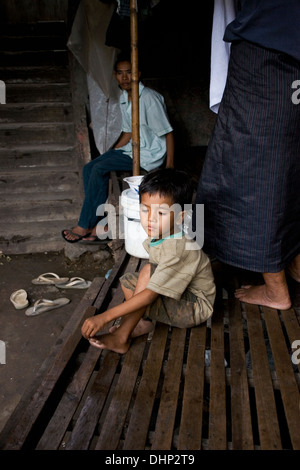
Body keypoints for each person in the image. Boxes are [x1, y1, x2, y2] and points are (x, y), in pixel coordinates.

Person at [194, 0, 300, 310]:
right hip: (289, 48)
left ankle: (276, 289)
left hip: (266, 50)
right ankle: (294, 262)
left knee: (254, 168)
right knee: (289, 161)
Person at [81, 168, 216, 354]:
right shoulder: (163, 234)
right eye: (145, 210)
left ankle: (122, 336)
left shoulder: (178, 248)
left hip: (194, 308)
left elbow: (150, 295)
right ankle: (140, 324)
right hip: (179, 293)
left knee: (145, 274)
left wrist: (105, 317)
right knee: (128, 281)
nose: (150, 219)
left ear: (180, 217)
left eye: (160, 213)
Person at [62, 55, 174, 244]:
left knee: (99, 169)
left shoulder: (148, 98)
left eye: (129, 72)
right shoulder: (125, 97)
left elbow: (168, 133)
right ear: (115, 75)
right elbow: (129, 132)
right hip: (133, 148)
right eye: (120, 73)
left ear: (138, 73)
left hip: (148, 154)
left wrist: (169, 166)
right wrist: (110, 153)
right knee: (90, 167)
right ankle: (96, 224)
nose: (124, 77)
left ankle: (85, 225)